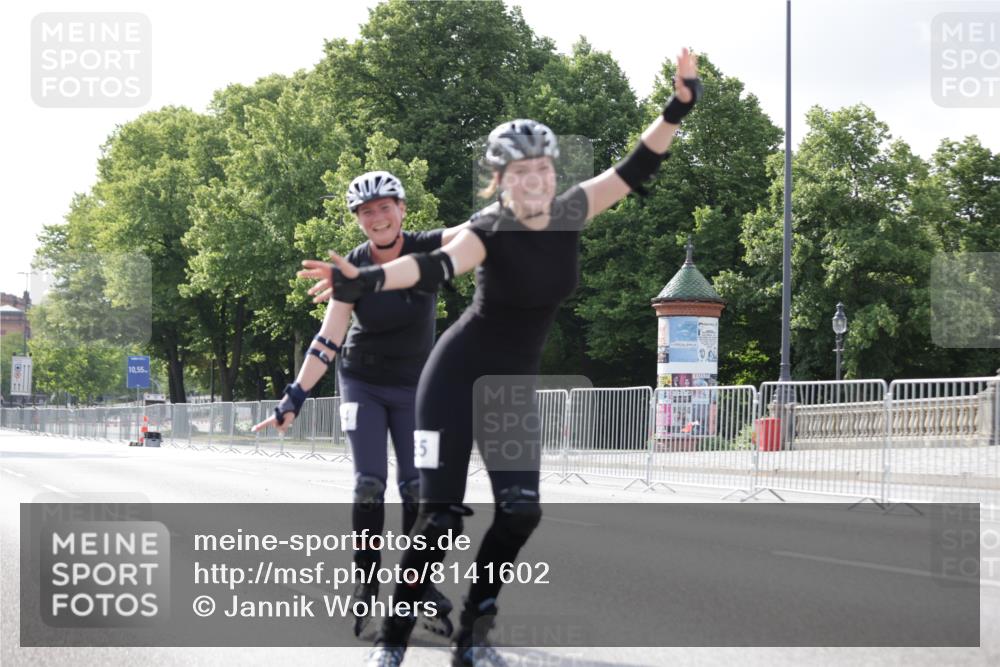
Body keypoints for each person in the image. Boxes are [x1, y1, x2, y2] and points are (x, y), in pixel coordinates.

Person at [308, 49, 700, 667]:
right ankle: (392, 640)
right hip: (452, 381)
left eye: (542, 168)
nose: (534, 179)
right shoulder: (486, 229)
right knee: (438, 522)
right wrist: (368, 283)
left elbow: (637, 164)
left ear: (552, 172)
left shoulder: (573, 210)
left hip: (509, 389)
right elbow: (435, 264)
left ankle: (473, 634)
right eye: (518, 173)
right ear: (499, 181)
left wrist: (679, 104)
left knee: (521, 511)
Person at [252, 169, 468, 638]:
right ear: (358, 220)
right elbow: (328, 338)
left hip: (414, 387)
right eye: (366, 211)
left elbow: (477, 230)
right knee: (370, 484)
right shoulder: (350, 267)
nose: (377, 217)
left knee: (417, 491)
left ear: (402, 209)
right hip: (363, 382)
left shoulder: (426, 246)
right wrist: (295, 396)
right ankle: (366, 583)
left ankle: (417, 582)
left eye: (385, 207)